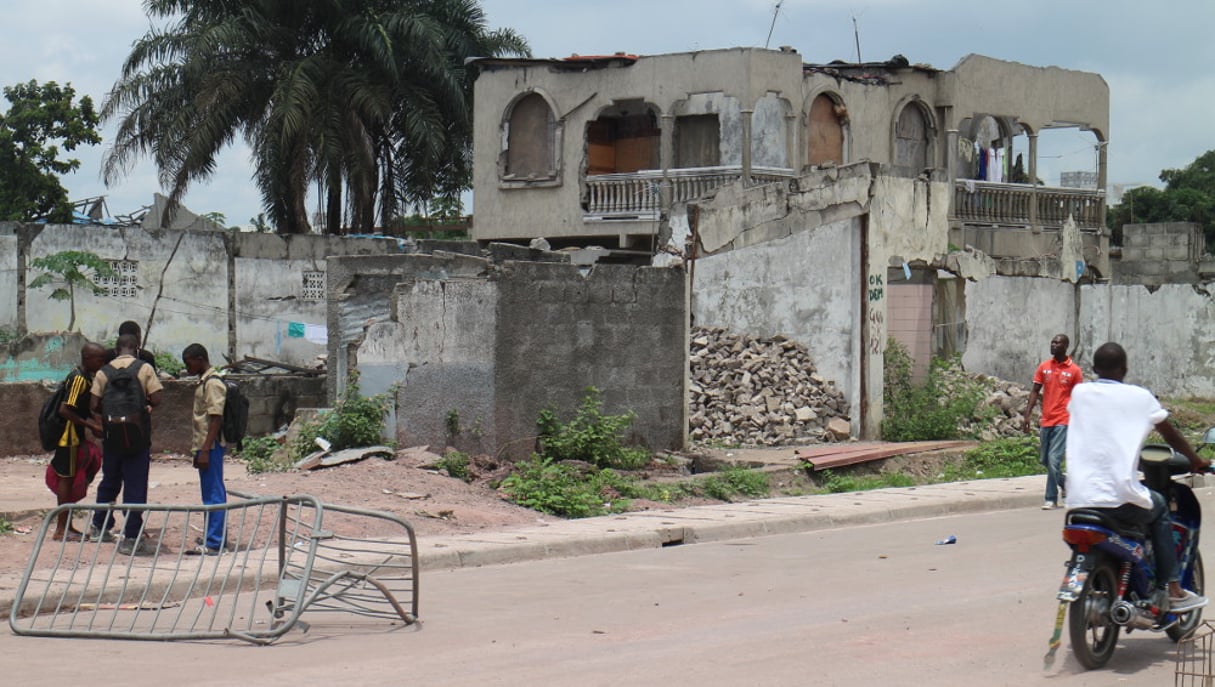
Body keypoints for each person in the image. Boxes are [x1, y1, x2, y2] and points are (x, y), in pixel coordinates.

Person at [1065, 342, 1210, 613]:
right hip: (1119, 498)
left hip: (1079, 499)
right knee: (1159, 508)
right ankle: (1174, 588)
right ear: (1125, 369)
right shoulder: (1140, 397)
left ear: (1094, 369)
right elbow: (1170, 434)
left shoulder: (1080, 392)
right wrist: (1196, 460)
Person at [88, 333, 163, 555]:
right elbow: (157, 398)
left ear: (117, 349)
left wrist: (112, 414)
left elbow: (94, 404)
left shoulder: (104, 371)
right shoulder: (144, 368)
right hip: (138, 438)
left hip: (112, 438)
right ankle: (131, 538)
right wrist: (142, 408)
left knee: (109, 481)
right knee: (135, 485)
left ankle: (99, 527)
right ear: (136, 348)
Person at [49, 342, 107, 541]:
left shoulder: (84, 377)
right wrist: (91, 426)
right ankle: (62, 529)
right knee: (67, 478)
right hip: (68, 437)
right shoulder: (79, 379)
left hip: (75, 434)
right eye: (100, 359)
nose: (102, 363)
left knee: (71, 477)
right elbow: (65, 409)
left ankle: (66, 527)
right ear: (88, 358)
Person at [1022, 334, 1083, 509]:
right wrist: (1027, 415)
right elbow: (1035, 391)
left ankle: (1050, 498)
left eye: (1057, 343)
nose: (1053, 345)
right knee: (1044, 460)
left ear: (1066, 346)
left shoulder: (1074, 371)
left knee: (1053, 459)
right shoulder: (1044, 367)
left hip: (1064, 420)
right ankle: (1065, 484)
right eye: (1052, 342)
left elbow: (1079, 397)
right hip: (1046, 419)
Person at [183, 343, 228, 555]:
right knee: (209, 493)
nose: (187, 367)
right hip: (204, 446)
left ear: (200, 359)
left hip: (211, 446)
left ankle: (214, 543)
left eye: (189, 362)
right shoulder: (203, 382)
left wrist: (205, 450)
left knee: (214, 493)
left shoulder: (212, 383)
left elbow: (216, 418)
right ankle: (214, 536)